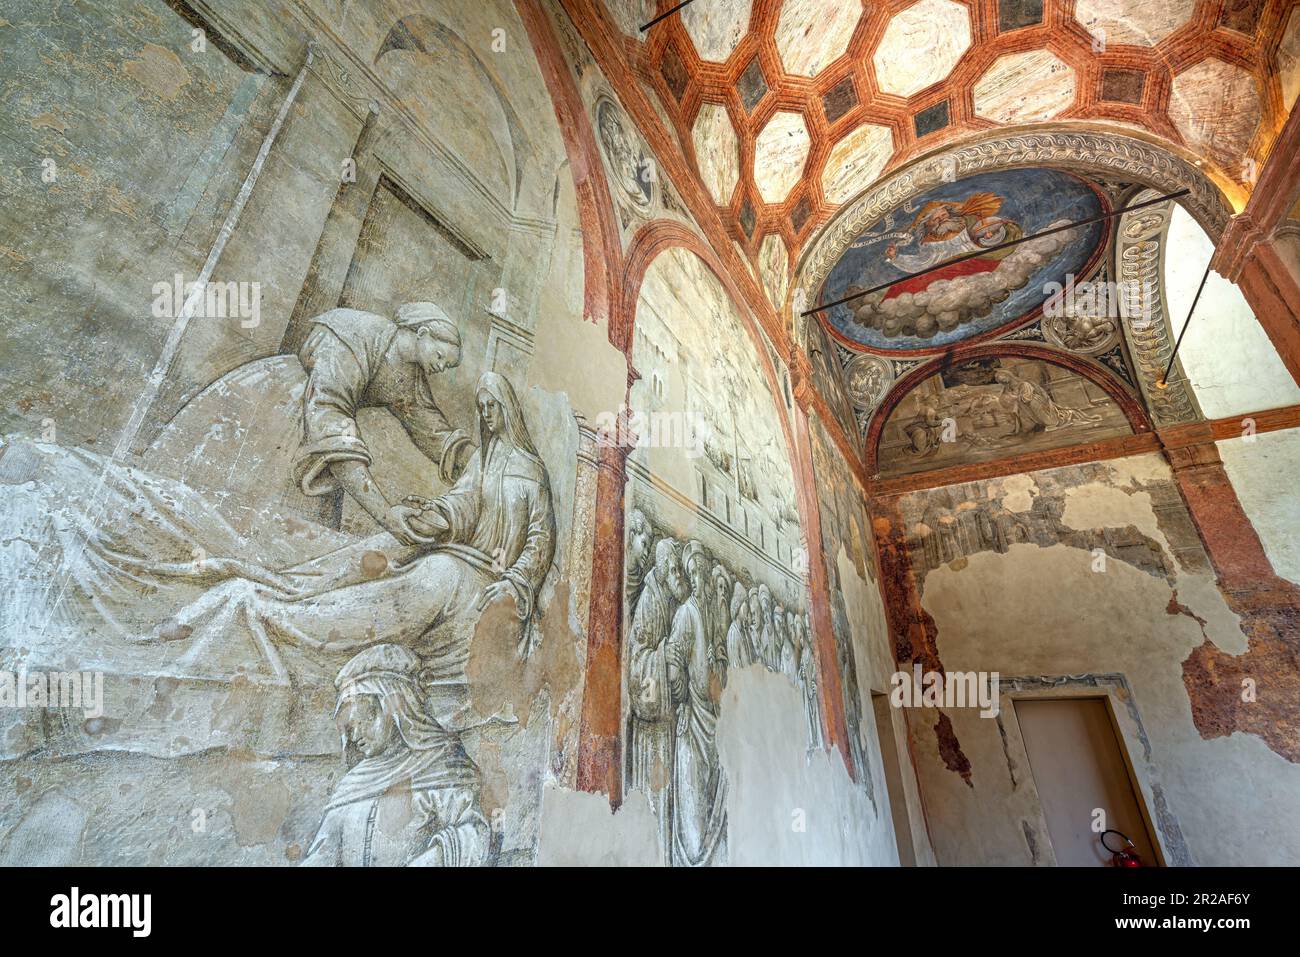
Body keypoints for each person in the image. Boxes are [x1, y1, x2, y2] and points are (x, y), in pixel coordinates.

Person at [302, 644, 490, 867]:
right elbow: (324, 854)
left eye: (365, 720)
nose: (356, 735)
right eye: (351, 727)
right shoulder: (352, 786)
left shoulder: (442, 765)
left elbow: (475, 833)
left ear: (396, 709)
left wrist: (430, 860)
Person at [664, 541, 727, 866]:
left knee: (714, 799)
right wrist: (683, 699)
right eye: (692, 573)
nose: (697, 578)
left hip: (714, 723)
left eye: (700, 571)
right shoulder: (687, 613)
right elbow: (674, 659)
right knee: (693, 815)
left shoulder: (714, 615)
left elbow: (722, 665)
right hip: (693, 725)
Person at [626, 536, 687, 847]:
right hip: (651, 726)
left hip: (666, 722)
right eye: (673, 567)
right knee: (653, 793)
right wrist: (665, 658)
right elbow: (639, 660)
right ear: (662, 570)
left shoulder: (671, 600)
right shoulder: (650, 600)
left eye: (679, 567)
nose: (678, 572)